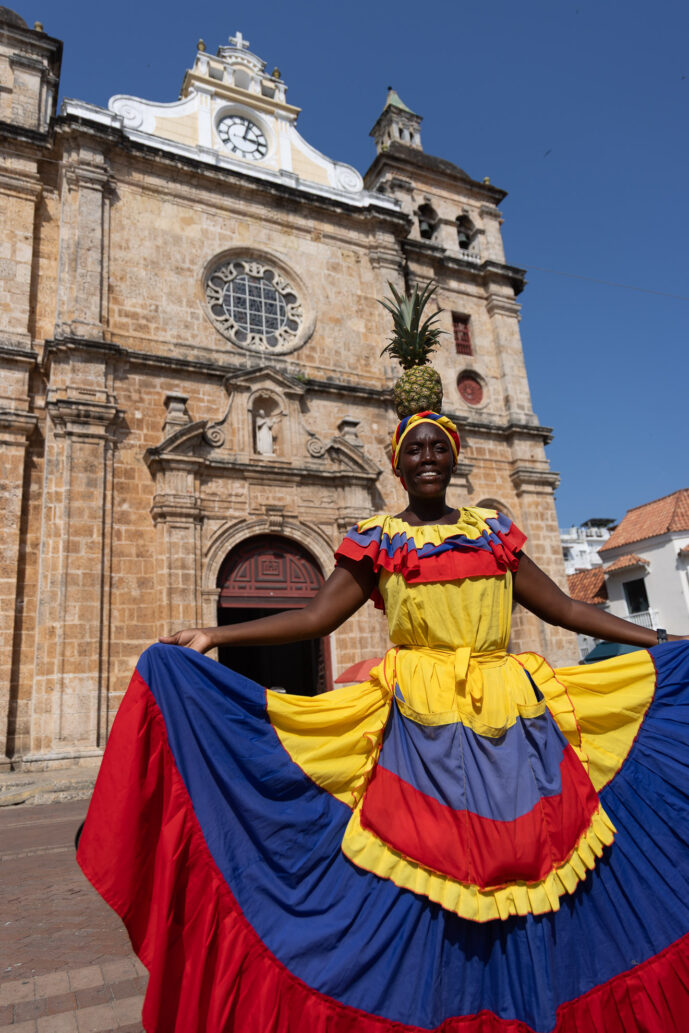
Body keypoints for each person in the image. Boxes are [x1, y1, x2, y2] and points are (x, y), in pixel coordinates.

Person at [77, 410, 689, 1033]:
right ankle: (447, 997)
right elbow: (317, 618)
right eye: (415, 449)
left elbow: (560, 606)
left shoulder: (493, 532)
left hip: (514, 715)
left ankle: (533, 990)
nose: (427, 457)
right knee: (429, 866)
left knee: (527, 857)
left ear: (454, 459)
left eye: (438, 448)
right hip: (419, 722)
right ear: (397, 466)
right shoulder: (379, 538)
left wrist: (659, 638)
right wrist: (215, 633)